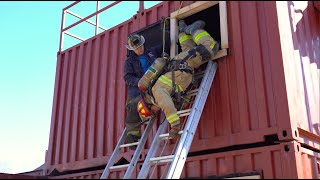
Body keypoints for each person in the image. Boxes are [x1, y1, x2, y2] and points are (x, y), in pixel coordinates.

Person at [138, 19, 220, 138]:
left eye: (154, 111)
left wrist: (175, 126)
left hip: (185, 64)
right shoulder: (158, 90)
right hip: (182, 63)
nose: (157, 111)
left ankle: (194, 29)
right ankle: (182, 31)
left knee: (211, 47)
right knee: (187, 48)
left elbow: (167, 106)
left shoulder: (157, 95)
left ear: (150, 106)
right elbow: (180, 94)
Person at [123, 33, 169, 150]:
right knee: (133, 107)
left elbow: (166, 43)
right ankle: (133, 138)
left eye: (141, 46)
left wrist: (167, 31)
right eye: (136, 48)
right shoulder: (129, 62)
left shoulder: (152, 52)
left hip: (154, 86)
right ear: (132, 49)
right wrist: (141, 81)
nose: (139, 49)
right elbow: (127, 78)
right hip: (138, 91)